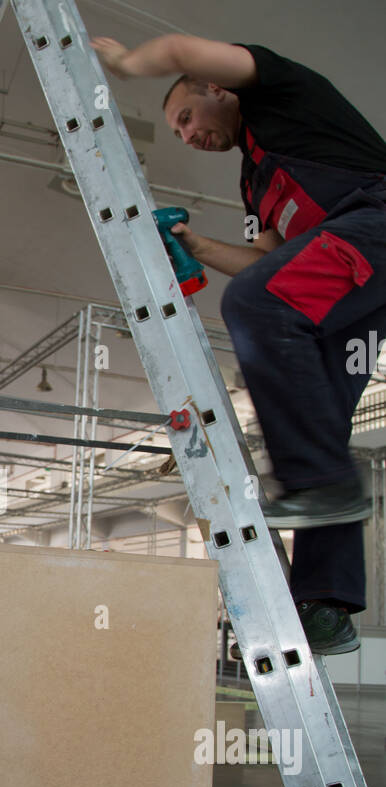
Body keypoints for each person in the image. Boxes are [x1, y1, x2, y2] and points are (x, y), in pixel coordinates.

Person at [91, 34, 386, 656]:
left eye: (187, 118)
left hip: (375, 224)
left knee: (255, 304)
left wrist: (125, 65)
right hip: (353, 278)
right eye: (177, 134)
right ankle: (328, 606)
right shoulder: (256, 184)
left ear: (214, 88)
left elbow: (175, 48)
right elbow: (269, 258)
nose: (189, 135)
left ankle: (320, 486)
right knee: (319, 418)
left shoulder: (279, 95)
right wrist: (195, 245)